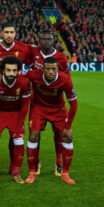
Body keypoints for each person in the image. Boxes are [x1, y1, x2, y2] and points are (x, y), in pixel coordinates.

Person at [0, 21, 32, 175]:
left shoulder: (24, 48)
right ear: (1, 33)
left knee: (15, 138)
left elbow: (34, 65)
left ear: (15, 33)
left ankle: (14, 166)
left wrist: (22, 77)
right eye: (7, 32)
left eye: (12, 32)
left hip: (16, 96)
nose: (9, 35)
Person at [24, 57, 78, 184]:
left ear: (58, 69)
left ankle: (65, 174)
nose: (51, 71)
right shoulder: (33, 74)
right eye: (47, 69)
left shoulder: (65, 79)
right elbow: (19, 73)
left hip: (58, 109)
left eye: (54, 69)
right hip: (39, 108)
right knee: (33, 136)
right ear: (42, 69)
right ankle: (32, 173)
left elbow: (74, 104)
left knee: (67, 137)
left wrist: (68, 125)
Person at [28, 31, 70, 176]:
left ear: (53, 41)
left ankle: (59, 162)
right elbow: (18, 49)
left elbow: (66, 78)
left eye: (49, 39)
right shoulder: (33, 52)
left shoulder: (61, 57)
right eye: (43, 38)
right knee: (35, 134)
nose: (46, 41)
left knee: (59, 133)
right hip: (37, 101)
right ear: (39, 40)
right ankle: (36, 161)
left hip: (56, 102)